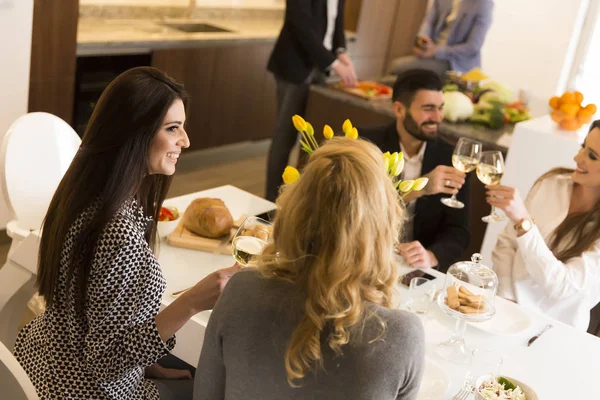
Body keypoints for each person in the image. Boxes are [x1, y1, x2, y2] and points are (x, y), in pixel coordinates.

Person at [14, 67, 240, 400]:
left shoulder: (84, 194)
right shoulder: (118, 235)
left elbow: (94, 317)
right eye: (173, 128)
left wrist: (144, 363)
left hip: (45, 360)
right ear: (135, 132)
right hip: (86, 390)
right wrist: (192, 302)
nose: (185, 141)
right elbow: (105, 361)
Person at [194, 137, 425, 399]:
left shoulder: (240, 290)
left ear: (294, 209)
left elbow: (204, 395)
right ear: (383, 226)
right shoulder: (400, 335)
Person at [490, 120, 600, 331]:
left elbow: (561, 287)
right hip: (504, 310)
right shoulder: (552, 183)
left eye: (592, 156)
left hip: (552, 332)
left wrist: (524, 224)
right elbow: (507, 244)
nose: (577, 158)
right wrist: (506, 298)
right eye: (583, 147)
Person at [360, 69, 470, 272]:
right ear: (399, 110)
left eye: (440, 108)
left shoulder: (451, 157)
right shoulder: (366, 145)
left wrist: (430, 256)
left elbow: (458, 230)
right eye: (428, 108)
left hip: (413, 270)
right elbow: (356, 208)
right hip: (362, 256)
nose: (437, 117)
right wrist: (420, 188)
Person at [265, 0, 358, 202]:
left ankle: (298, 202)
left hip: (320, 69)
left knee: (312, 137)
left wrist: (341, 50)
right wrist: (333, 63)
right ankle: (270, 201)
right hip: (294, 68)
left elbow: (336, 23)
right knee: (285, 137)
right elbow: (300, 26)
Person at [388, 0, 494, 76]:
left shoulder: (484, 3)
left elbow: (472, 47)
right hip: (432, 53)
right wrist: (422, 40)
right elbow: (430, 21)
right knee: (396, 75)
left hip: (456, 63)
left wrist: (435, 51)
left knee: (397, 66)